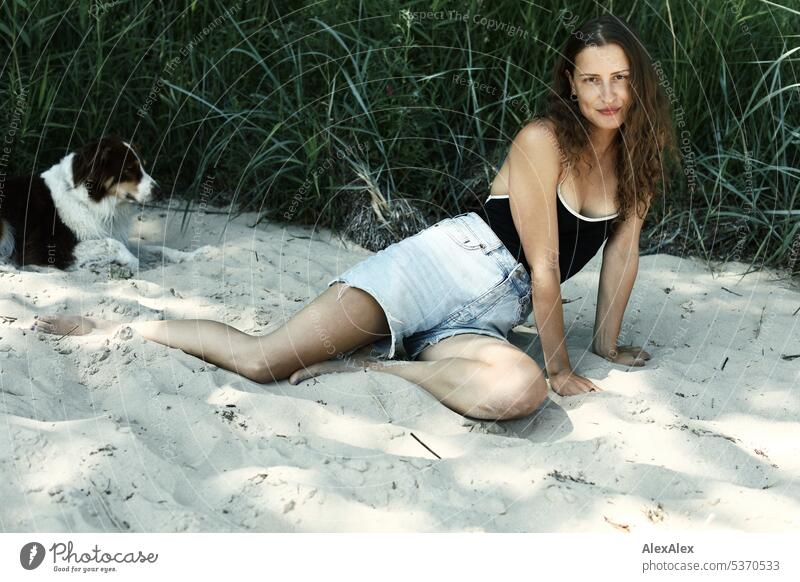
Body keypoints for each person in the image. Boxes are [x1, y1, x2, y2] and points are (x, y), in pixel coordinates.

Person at [34, 15, 677, 421]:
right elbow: (545, 265)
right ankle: (116, 325)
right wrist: (563, 370)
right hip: (437, 268)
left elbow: (622, 252)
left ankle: (369, 366)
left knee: (517, 392)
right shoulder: (543, 140)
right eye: (593, 80)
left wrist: (605, 345)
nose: (609, 95)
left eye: (621, 78)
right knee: (265, 362)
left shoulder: (636, 164)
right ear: (571, 83)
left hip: (492, 315)